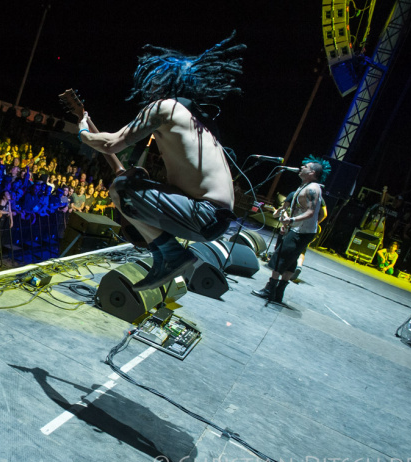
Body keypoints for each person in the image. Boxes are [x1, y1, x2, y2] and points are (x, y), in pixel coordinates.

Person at [77, 34, 244, 290]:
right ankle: (166, 256)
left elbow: (111, 144)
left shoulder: (164, 108)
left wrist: (83, 133)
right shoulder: (199, 122)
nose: (150, 86)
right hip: (214, 218)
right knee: (135, 179)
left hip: (202, 214)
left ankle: (171, 254)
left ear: (165, 82)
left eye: (154, 80)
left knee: (121, 189)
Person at [253, 158, 329, 304]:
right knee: (292, 260)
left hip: (302, 231)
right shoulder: (304, 186)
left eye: (305, 166)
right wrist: (288, 224)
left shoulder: (312, 188)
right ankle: (278, 293)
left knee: (280, 256)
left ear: (312, 172)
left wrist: (291, 221)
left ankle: (270, 290)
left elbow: (311, 212)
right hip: (298, 229)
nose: (301, 167)